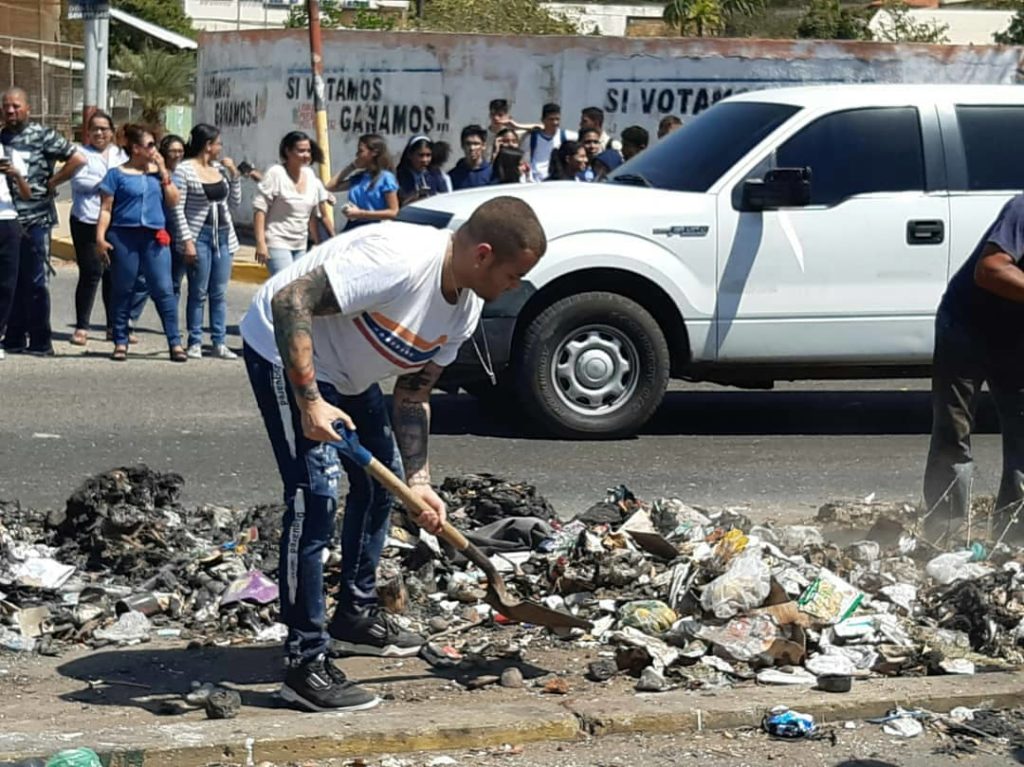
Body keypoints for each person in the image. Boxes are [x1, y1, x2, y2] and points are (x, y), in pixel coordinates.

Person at [238, 196, 546, 712]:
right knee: (313, 501)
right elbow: (290, 300)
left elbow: (412, 394)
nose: (515, 288)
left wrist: (419, 480)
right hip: (284, 350)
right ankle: (304, 663)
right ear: (484, 255)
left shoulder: (464, 310)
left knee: (382, 488)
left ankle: (354, 615)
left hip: (348, 372)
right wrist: (311, 402)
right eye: (514, 276)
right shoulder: (400, 260)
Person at [923, 197, 1024, 545]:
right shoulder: (1022, 209)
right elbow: (990, 269)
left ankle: (1013, 541)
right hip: (966, 328)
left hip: (1017, 339)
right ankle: (944, 537)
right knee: (954, 432)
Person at [1, 87, 86, 356]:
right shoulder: (2, 136)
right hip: (8, 220)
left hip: (36, 218)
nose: (11, 111)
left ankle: (40, 340)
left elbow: (77, 159)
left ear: (27, 108)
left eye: (16, 106)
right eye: (6, 106)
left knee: (36, 280)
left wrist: (52, 183)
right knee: (11, 280)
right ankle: (13, 337)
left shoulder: (43, 135)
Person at [95, 124, 184, 363]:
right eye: (150, 145)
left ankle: (174, 342)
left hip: (154, 236)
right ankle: (120, 339)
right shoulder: (116, 174)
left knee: (163, 289)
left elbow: (174, 200)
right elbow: (106, 209)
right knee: (123, 288)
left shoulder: (158, 174)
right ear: (136, 149)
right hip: (124, 235)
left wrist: (164, 172)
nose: (155, 150)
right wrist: (100, 237)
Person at [68, 111, 146, 347]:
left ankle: (115, 326)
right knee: (91, 273)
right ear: (87, 133)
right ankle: (82, 326)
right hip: (87, 220)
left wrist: (111, 182)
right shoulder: (80, 154)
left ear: (112, 132)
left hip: (117, 222)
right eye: (95, 129)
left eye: (104, 129)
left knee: (115, 275)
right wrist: (112, 181)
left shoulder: (121, 155)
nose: (100, 133)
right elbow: (79, 182)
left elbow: (133, 179)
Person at [171, 124, 242, 360]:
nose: (221, 148)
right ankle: (195, 340)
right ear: (208, 145)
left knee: (219, 292)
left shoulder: (219, 169)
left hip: (222, 235)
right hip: (198, 235)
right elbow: (178, 209)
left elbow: (233, 204)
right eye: (218, 143)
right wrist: (187, 241)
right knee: (198, 291)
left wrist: (235, 177)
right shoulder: (184, 170)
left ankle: (219, 342)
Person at [255, 131, 332, 275]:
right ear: (288, 151)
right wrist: (260, 243)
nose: (306, 155)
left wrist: (318, 241)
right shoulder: (276, 173)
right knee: (286, 284)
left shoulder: (310, 175)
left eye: (308, 151)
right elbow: (260, 209)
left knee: (296, 288)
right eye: (301, 151)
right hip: (276, 241)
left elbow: (312, 215)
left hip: (300, 244)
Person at [326, 133, 398, 234]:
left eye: (361, 151)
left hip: (375, 229)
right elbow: (331, 186)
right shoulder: (360, 177)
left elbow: (393, 212)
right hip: (354, 227)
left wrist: (361, 213)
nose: (357, 155)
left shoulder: (386, 178)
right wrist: (352, 166)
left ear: (374, 153)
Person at [0, 137, 31, 361]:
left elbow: (26, 194)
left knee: (6, 284)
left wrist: (16, 175)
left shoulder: (10, 152)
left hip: (8, 221)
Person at [160, 134, 187, 298]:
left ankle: (170, 321)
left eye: (180, 151)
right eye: (173, 151)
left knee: (175, 281)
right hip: (161, 228)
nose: (177, 155)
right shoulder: (155, 172)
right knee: (147, 281)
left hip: (180, 231)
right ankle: (128, 316)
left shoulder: (185, 172)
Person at [396, 135, 446, 206]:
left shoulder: (435, 174)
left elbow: (445, 196)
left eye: (428, 155)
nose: (424, 160)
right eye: (421, 155)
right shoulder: (400, 176)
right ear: (409, 155)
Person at [527, 103, 572, 182]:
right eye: (551, 119)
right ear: (543, 120)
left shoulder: (565, 135)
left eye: (557, 119)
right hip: (535, 180)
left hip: (555, 180)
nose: (555, 123)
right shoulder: (533, 137)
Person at [449, 125, 492, 190]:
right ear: (462, 145)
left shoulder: (492, 174)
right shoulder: (453, 175)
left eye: (476, 144)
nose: (472, 148)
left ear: (483, 146)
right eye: (468, 144)